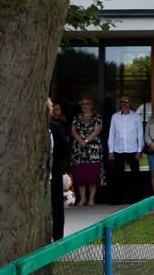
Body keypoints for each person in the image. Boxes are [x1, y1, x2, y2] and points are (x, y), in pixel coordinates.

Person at [106, 94, 144, 204]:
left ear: (130, 103)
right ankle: (117, 200)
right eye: (122, 102)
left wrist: (139, 150)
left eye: (126, 101)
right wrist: (110, 151)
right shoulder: (115, 117)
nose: (124, 104)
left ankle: (137, 199)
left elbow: (140, 134)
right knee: (118, 175)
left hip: (133, 150)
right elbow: (111, 134)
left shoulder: (136, 116)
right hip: (118, 150)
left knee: (135, 175)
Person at [68, 98, 104, 206]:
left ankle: (91, 199)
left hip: (93, 149)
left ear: (92, 105)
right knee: (80, 173)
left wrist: (86, 141)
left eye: (87, 103)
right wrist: (80, 141)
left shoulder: (97, 117)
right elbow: (73, 130)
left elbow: (97, 130)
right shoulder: (77, 117)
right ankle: (82, 198)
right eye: (82, 104)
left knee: (92, 173)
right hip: (78, 149)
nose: (84, 106)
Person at [49, 98, 72, 241]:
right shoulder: (53, 127)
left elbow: (65, 149)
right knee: (56, 205)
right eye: (51, 107)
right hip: (50, 172)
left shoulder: (55, 127)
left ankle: (57, 237)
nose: (53, 109)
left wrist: (59, 164)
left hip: (54, 171)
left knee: (57, 204)